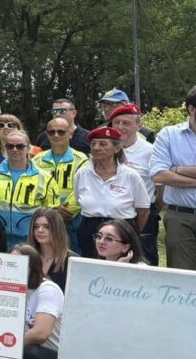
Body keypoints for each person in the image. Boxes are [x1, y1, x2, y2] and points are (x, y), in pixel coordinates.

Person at [73, 126, 149, 259]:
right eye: (93, 144)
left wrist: (131, 233)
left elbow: (143, 210)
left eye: (103, 144)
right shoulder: (82, 174)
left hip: (121, 231)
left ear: (117, 148)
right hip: (90, 230)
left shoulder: (130, 176)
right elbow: (78, 200)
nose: (96, 148)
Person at [0, 130, 56, 245]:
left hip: (29, 240)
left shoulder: (45, 178)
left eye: (20, 146)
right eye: (10, 146)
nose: (14, 150)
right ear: (5, 148)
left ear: (28, 148)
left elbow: (50, 212)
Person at [149, 84, 196, 271]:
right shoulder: (168, 135)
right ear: (192, 109)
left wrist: (177, 169)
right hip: (180, 217)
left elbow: (167, 172)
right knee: (182, 277)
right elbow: (159, 174)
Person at [111, 104, 161, 265]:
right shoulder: (105, 149)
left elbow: (161, 188)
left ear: (139, 126)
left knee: (145, 260)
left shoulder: (151, 152)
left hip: (142, 215)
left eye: (126, 123)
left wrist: (151, 210)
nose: (120, 127)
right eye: (116, 122)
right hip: (114, 214)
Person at [32, 116, 88, 252]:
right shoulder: (37, 160)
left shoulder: (81, 159)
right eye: (52, 132)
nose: (56, 135)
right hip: (44, 221)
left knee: (72, 260)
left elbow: (83, 189)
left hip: (71, 221)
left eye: (61, 132)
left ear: (70, 134)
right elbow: (32, 188)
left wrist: (61, 213)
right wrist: (51, 211)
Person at [9, 244, 63, 359]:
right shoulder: (11, 291)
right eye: (10, 264)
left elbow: (41, 334)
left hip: (52, 352)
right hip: (26, 348)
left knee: (24, 351)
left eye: (19, 264)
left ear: (33, 267)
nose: (13, 268)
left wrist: (7, 344)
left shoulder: (47, 289)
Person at [27, 208, 75, 290]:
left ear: (57, 229)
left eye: (47, 227)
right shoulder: (27, 256)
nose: (40, 230)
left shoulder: (72, 261)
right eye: (36, 226)